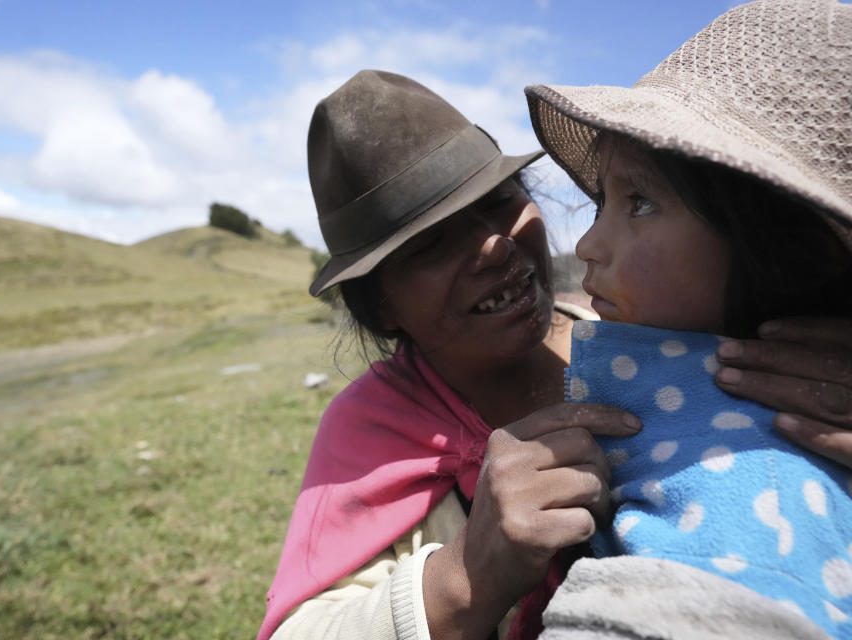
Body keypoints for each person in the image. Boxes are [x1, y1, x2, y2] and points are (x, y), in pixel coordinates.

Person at [260, 67, 852, 640]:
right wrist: (467, 573)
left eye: (498, 201)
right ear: (381, 307)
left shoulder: (648, 335)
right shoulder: (371, 430)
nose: (494, 245)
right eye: (432, 245)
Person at [524, 0, 852, 637]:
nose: (589, 245)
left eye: (640, 201)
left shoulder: (751, 495)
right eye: (603, 202)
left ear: (774, 247)